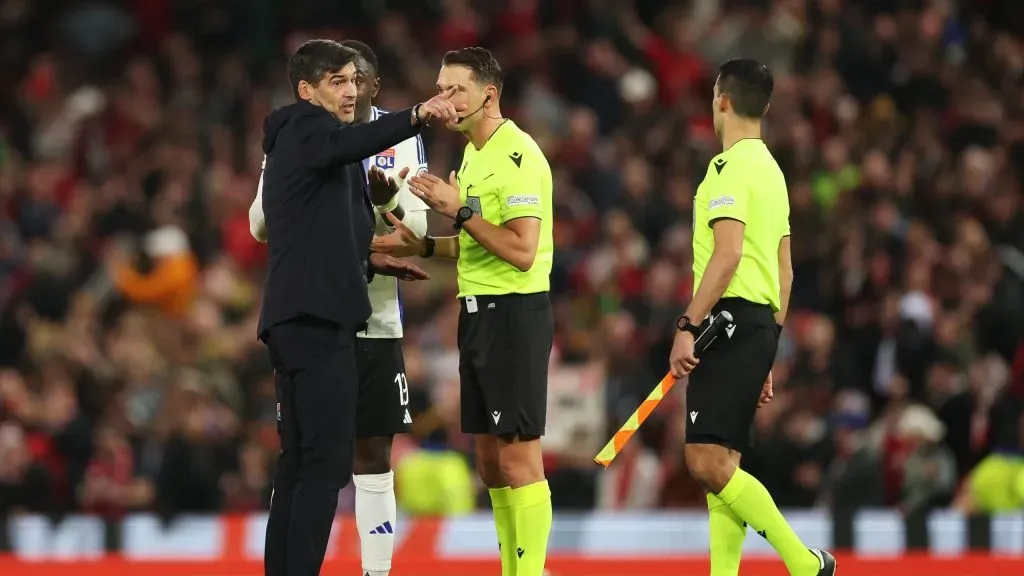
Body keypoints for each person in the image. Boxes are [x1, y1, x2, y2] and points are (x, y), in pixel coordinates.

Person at [255, 39, 459, 576]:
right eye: (337, 82)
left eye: (354, 80)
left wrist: (368, 262)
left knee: (299, 464)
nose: (350, 91)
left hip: (300, 318)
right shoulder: (307, 129)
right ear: (307, 91)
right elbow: (351, 145)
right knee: (323, 468)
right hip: (318, 322)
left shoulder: (314, 148)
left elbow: (315, 234)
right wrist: (417, 115)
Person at [372, 47, 554, 576]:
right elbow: (479, 241)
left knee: (519, 460)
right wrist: (425, 246)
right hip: (477, 314)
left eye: (456, 90)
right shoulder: (474, 154)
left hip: (514, 314)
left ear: (488, 95)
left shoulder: (518, 154)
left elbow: (522, 250)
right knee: (491, 465)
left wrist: (460, 209)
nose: (444, 100)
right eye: (440, 89)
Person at [668, 59, 836, 576]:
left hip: (728, 321)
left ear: (721, 100)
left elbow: (728, 254)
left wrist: (688, 325)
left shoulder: (729, 167)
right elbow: (785, 273)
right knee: (723, 468)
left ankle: (803, 562)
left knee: (705, 461)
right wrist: (767, 348)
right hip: (758, 325)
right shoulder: (773, 172)